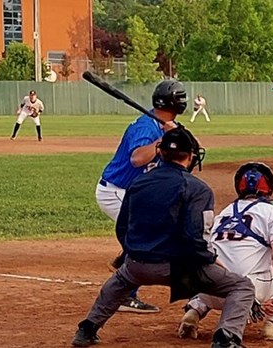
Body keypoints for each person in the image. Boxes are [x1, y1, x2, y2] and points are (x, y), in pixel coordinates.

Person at [71, 127, 255, 348]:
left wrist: (133, 253)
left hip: (138, 264)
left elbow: (122, 227)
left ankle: (87, 329)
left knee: (120, 281)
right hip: (182, 269)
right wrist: (210, 259)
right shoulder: (197, 189)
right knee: (241, 286)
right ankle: (225, 339)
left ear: (160, 152)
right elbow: (194, 238)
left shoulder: (138, 183)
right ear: (191, 156)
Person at [178, 162, 273, 342]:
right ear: (269, 187)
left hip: (207, 291)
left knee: (212, 265)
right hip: (244, 293)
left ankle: (194, 311)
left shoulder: (224, 214)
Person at [94, 80, 186, 313]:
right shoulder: (146, 127)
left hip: (133, 193)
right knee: (144, 236)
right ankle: (125, 296)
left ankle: (123, 259)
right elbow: (137, 158)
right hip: (115, 191)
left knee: (157, 228)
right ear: (171, 102)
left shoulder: (164, 124)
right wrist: (163, 141)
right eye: (180, 97)